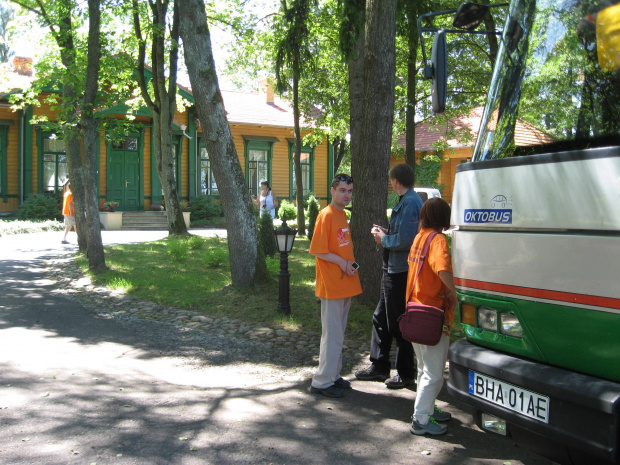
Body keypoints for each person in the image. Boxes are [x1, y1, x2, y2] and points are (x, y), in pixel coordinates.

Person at [355, 164, 423, 389]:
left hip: (400, 271)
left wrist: (383, 240)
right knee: (380, 317)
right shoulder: (406, 200)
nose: (391, 183)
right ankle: (379, 365)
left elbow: (407, 240)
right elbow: (401, 234)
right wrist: (386, 233)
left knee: (398, 321)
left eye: (391, 180)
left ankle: (406, 372)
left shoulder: (411, 202)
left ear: (396, 180)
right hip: (392, 268)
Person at [406, 197, 457, 436]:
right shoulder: (438, 239)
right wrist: (452, 294)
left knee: (423, 367)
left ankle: (427, 407)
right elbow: (443, 269)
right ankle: (421, 419)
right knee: (435, 373)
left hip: (416, 309)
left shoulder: (420, 237)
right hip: (433, 313)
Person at [309, 174, 362, 398]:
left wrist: (348, 265)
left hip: (345, 283)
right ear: (332, 191)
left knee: (338, 333)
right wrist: (342, 263)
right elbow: (318, 250)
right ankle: (322, 382)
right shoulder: (326, 215)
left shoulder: (341, 215)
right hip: (332, 285)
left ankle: (334, 374)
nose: (347, 195)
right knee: (331, 335)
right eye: (342, 190)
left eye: (349, 191)